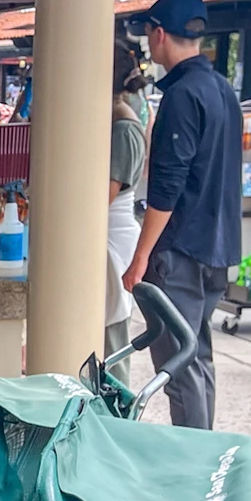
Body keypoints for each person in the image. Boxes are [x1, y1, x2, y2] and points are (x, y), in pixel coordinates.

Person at [122, 0, 241, 429]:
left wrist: (141, 256)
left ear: (158, 34)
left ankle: (195, 465)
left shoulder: (182, 94)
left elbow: (167, 187)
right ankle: (204, 454)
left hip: (180, 250)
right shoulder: (222, 90)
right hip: (217, 246)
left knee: (178, 364)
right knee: (197, 355)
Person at [104, 40, 149, 371]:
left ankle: (118, 411)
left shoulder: (123, 126)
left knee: (112, 337)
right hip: (109, 234)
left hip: (114, 236)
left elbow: (103, 194)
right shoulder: (116, 121)